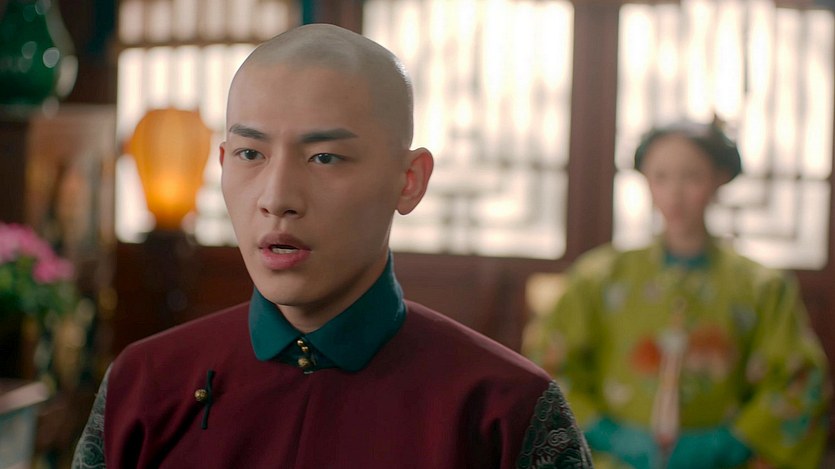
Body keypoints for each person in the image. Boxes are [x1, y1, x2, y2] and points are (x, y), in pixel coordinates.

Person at [71, 23, 591, 468]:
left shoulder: (504, 410)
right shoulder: (144, 384)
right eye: (251, 154)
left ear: (409, 180)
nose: (277, 198)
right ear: (223, 162)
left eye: (324, 158)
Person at [525, 120, 831, 469]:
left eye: (692, 177)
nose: (675, 193)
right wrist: (604, 432)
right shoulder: (597, 278)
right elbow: (548, 368)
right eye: (660, 177)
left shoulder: (763, 287)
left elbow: (799, 380)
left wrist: (733, 441)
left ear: (719, 178)